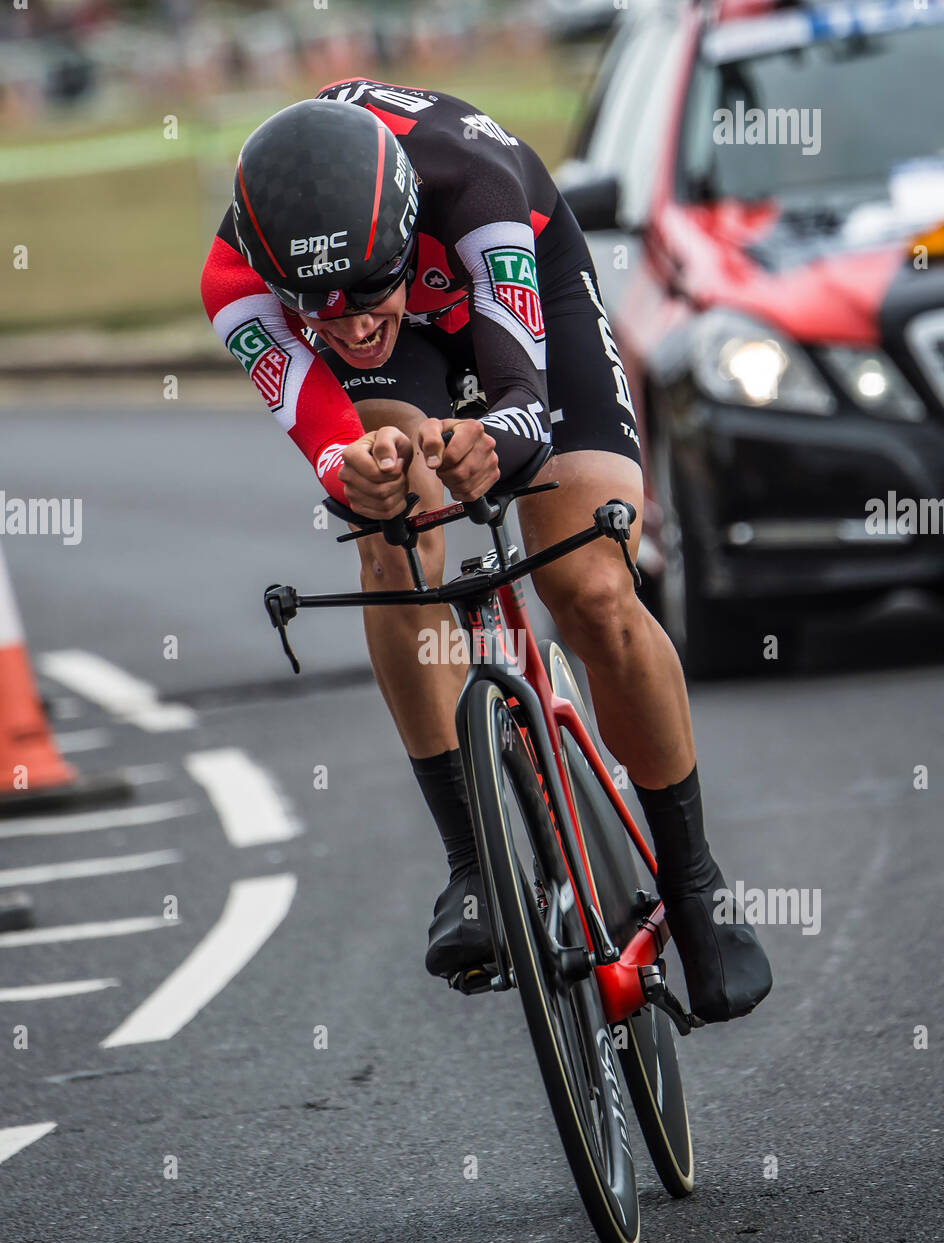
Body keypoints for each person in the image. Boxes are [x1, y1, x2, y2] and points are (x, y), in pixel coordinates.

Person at [200, 81, 773, 1023]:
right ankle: (472, 864)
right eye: (319, 308)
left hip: (521, 292)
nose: (347, 324)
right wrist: (361, 470)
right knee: (392, 535)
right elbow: (329, 437)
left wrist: (498, 440)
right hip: (411, 360)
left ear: (404, 225)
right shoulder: (239, 282)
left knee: (587, 584)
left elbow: (517, 391)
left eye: (365, 292)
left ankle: (696, 883)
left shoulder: (470, 181)